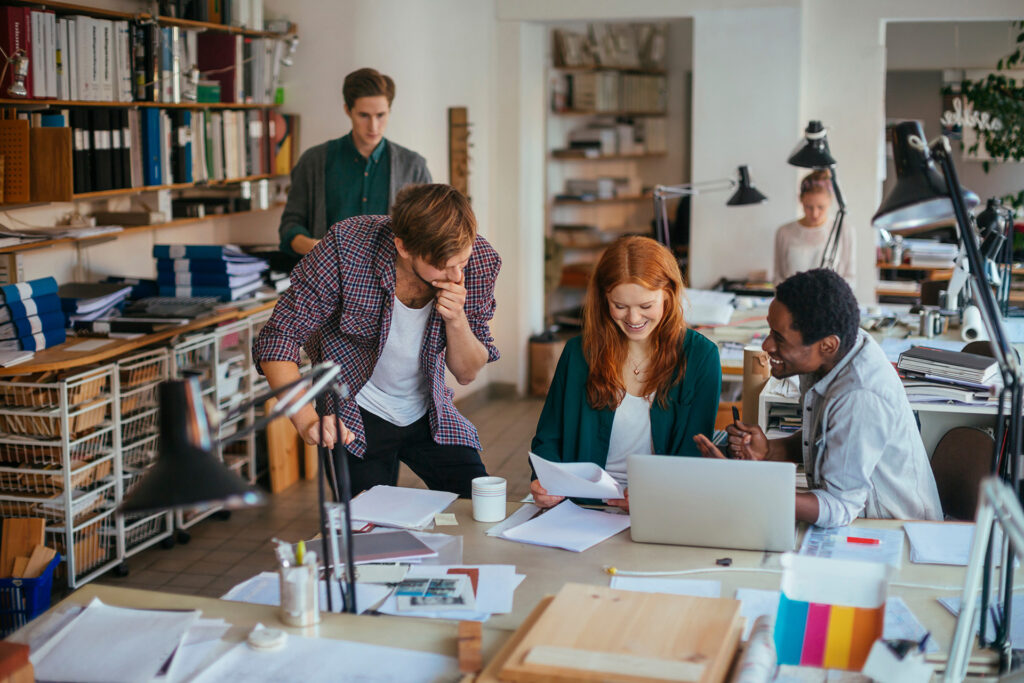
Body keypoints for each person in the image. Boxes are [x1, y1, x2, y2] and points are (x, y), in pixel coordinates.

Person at [254, 184, 501, 498]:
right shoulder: (347, 248)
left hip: (430, 409)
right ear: (403, 247)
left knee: (479, 504)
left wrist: (457, 320)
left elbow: (467, 372)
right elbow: (278, 339)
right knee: (368, 532)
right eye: (442, 266)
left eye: (461, 264)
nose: (455, 277)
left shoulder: (479, 261)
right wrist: (306, 421)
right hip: (356, 410)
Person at [693, 268, 942, 527]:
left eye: (780, 338)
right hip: (858, 516)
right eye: (770, 331)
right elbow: (826, 439)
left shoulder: (859, 396)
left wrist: (744, 485)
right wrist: (769, 450)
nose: (767, 345)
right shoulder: (834, 351)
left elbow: (839, 506)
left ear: (827, 345)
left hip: (895, 531)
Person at [530, 236, 722, 511]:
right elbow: (548, 438)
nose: (633, 319)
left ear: (669, 294)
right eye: (619, 306)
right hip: (582, 508)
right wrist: (544, 481)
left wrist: (654, 494)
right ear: (603, 298)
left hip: (661, 507)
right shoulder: (578, 353)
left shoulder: (700, 357)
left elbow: (693, 457)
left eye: (646, 306)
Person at [278, 67, 432, 259]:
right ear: (348, 111)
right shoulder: (313, 161)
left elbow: (430, 231)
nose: (373, 126)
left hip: (394, 284)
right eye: (364, 115)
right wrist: (313, 246)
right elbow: (290, 225)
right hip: (329, 282)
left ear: (390, 111)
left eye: (381, 115)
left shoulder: (414, 167)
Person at [773, 169, 855, 286]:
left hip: (830, 301)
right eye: (809, 207)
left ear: (830, 201)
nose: (815, 214)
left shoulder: (844, 231)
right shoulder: (784, 232)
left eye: (821, 207)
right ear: (800, 200)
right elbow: (778, 277)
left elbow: (850, 278)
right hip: (793, 302)